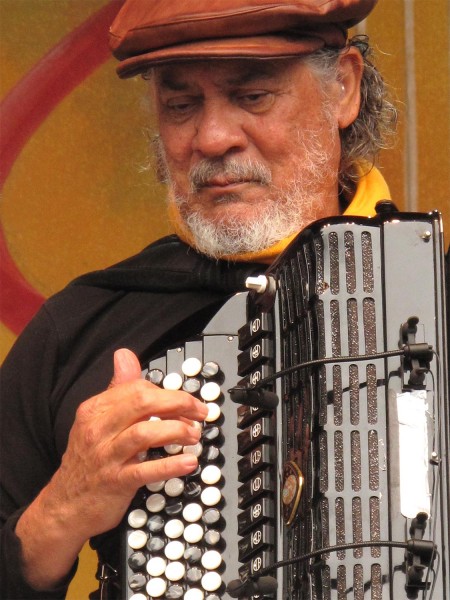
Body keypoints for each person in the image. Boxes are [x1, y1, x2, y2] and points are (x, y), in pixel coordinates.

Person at [0, 0, 398, 597]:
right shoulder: (80, 326)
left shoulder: (428, 293)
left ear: (343, 87)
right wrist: (61, 511)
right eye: (181, 105)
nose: (211, 138)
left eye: (252, 95)